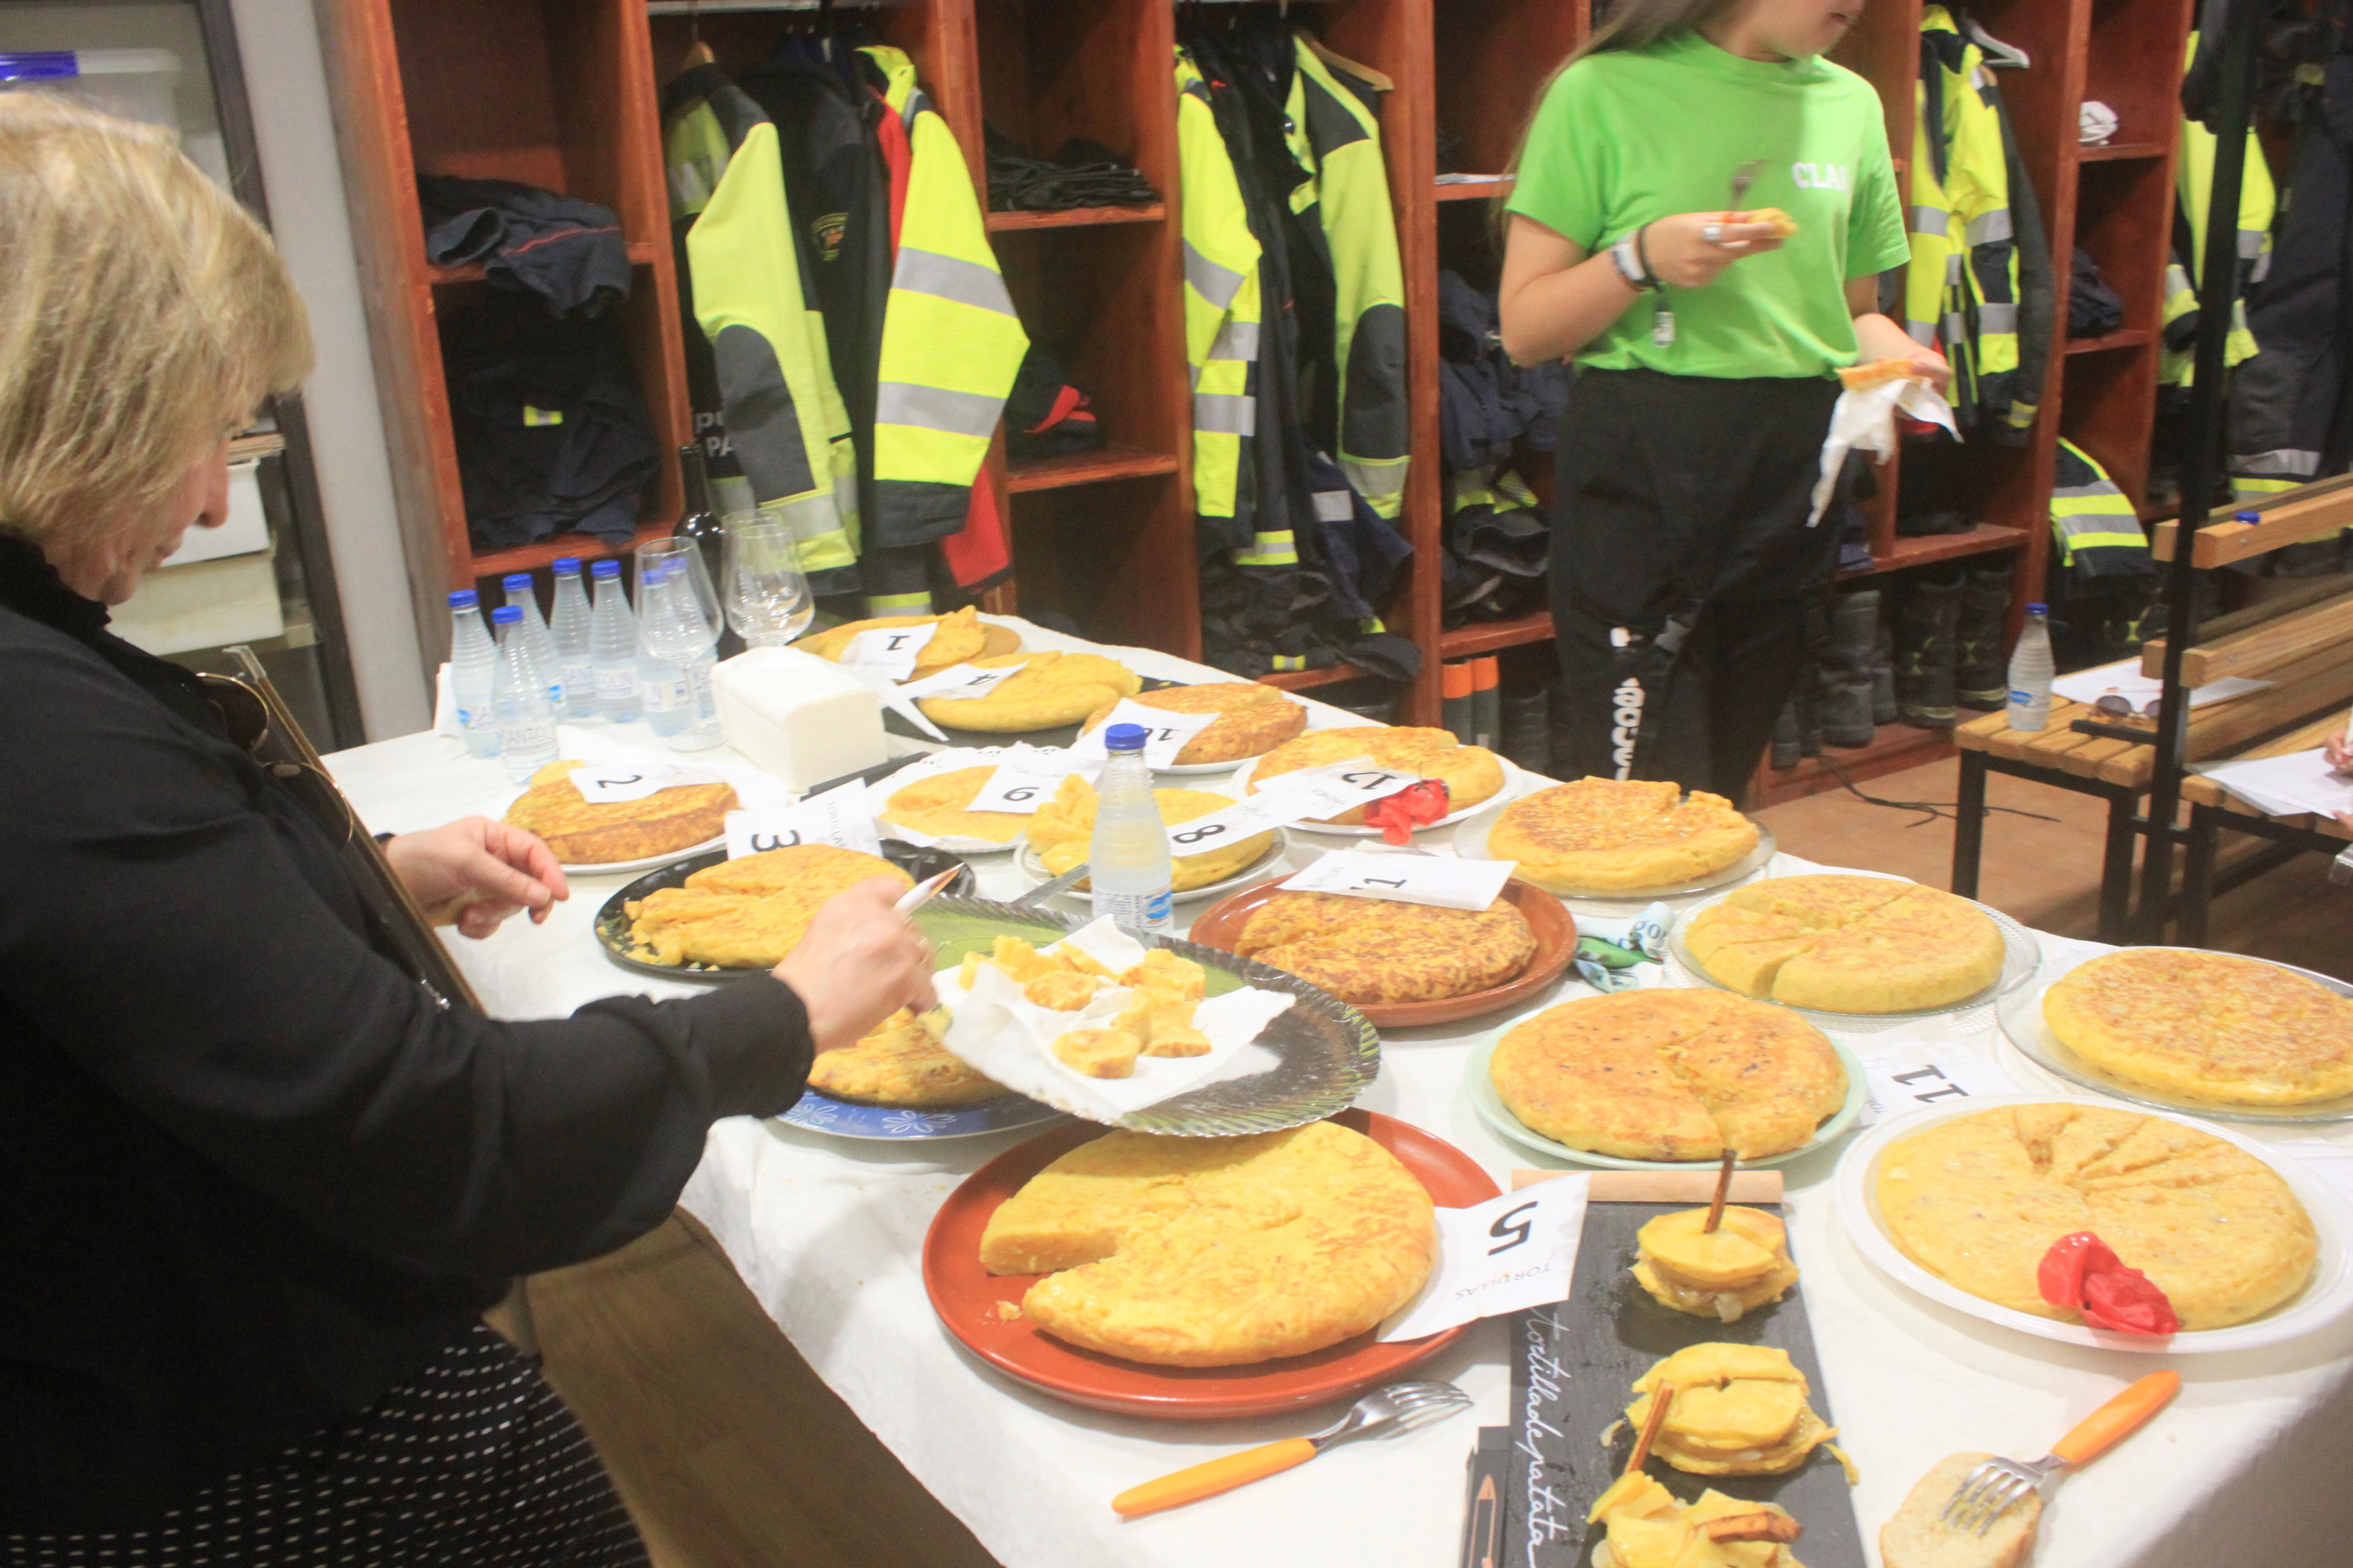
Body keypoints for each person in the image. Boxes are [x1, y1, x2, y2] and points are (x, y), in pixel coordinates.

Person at [0, 95, 935, 1562]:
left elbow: (101, 969)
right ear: (78, 399)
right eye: (202, 430)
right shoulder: (34, 726)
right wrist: (786, 1013)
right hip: (219, 1467)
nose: (201, 500)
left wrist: (351, 877)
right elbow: (449, 1134)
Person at [1497, 0, 1950, 798]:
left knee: (1726, 790)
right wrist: (1639, 259)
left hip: (1792, 475)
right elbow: (1526, 330)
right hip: (1644, 467)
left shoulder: (1851, 102)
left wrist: (1903, 358)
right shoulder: (1603, 89)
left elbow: (1852, 314)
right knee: (1647, 794)